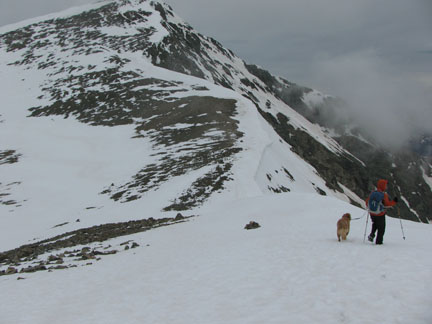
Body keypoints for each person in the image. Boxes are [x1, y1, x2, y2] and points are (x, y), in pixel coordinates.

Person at [365, 179, 398, 245]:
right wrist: (394, 202)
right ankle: (379, 243)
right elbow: (387, 204)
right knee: (381, 229)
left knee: (375, 223)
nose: (386, 187)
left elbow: (367, 202)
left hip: (372, 213)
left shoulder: (373, 193)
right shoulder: (383, 195)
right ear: (383, 186)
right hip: (380, 214)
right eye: (385, 185)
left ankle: (372, 234)